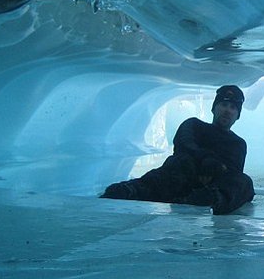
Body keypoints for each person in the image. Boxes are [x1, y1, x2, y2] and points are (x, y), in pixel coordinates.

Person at [100, 85, 255, 215]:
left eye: (233, 107)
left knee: (244, 182)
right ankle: (134, 190)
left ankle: (210, 199)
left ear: (237, 115)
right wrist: (205, 159)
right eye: (224, 105)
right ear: (214, 108)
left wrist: (215, 169)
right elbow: (184, 144)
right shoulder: (194, 125)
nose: (227, 110)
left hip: (209, 187)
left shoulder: (238, 144)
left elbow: (232, 171)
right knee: (179, 161)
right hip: (181, 177)